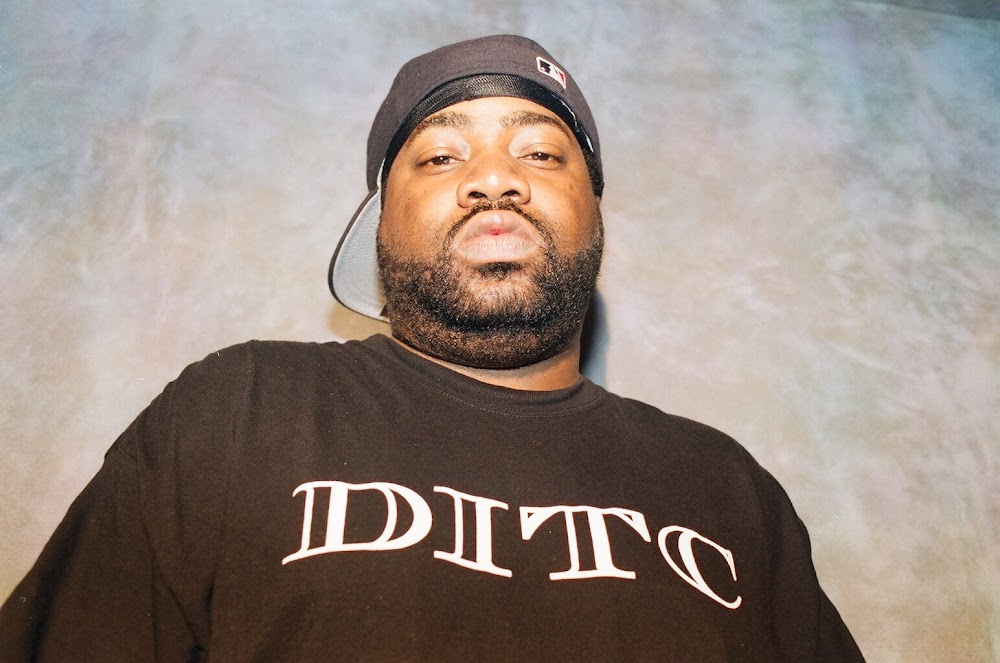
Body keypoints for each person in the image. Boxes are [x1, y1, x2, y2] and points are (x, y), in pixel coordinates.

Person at [0, 35, 865, 661]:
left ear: (596, 216)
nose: (495, 178)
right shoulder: (240, 410)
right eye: (443, 155)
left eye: (541, 152)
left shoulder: (727, 489)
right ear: (382, 226)